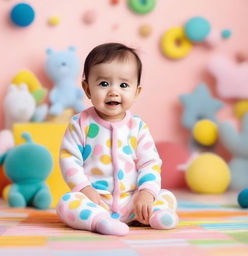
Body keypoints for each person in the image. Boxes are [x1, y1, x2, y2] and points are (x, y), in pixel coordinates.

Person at [57, 42, 178, 236]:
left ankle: (155, 215)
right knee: (66, 203)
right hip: (95, 201)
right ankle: (99, 222)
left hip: (133, 202)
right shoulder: (80, 123)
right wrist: (85, 190)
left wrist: (146, 193)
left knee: (166, 196)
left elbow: (150, 162)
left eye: (123, 85)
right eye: (104, 83)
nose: (114, 91)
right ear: (87, 89)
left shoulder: (137, 127)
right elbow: (69, 159)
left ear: (136, 92)